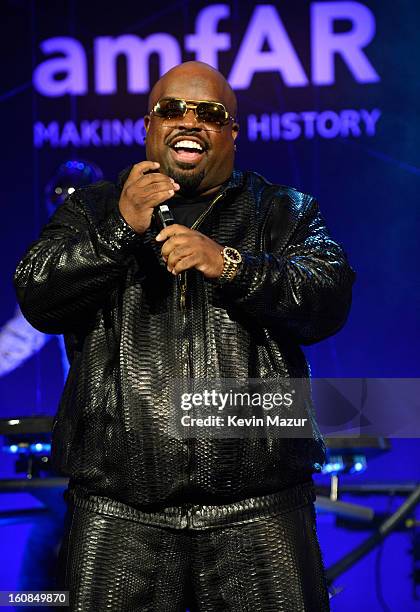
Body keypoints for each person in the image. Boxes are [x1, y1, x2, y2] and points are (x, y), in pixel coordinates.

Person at [14, 61, 355, 611]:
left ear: (233, 134)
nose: (188, 121)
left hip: (258, 513)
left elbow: (329, 298)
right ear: (148, 125)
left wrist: (233, 265)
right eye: (171, 109)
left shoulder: (282, 212)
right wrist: (122, 228)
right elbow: (37, 295)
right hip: (120, 517)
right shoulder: (94, 209)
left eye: (210, 114)